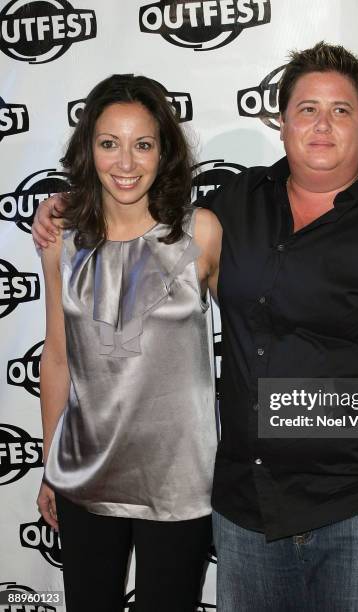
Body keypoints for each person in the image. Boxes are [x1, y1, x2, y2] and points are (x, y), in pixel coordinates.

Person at [34, 44, 358, 612]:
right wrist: (66, 205)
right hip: (251, 514)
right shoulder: (239, 204)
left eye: (340, 110)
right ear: (281, 122)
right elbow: (139, 213)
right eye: (306, 109)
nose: (321, 125)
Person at [36, 74, 221, 612]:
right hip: (85, 477)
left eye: (142, 144)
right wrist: (52, 463)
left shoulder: (200, 233)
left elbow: (255, 338)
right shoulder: (62, 243)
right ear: (88, 149)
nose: (125, 162)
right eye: (109, 143)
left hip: (180, 484)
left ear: (163, 152)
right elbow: (57, 357)